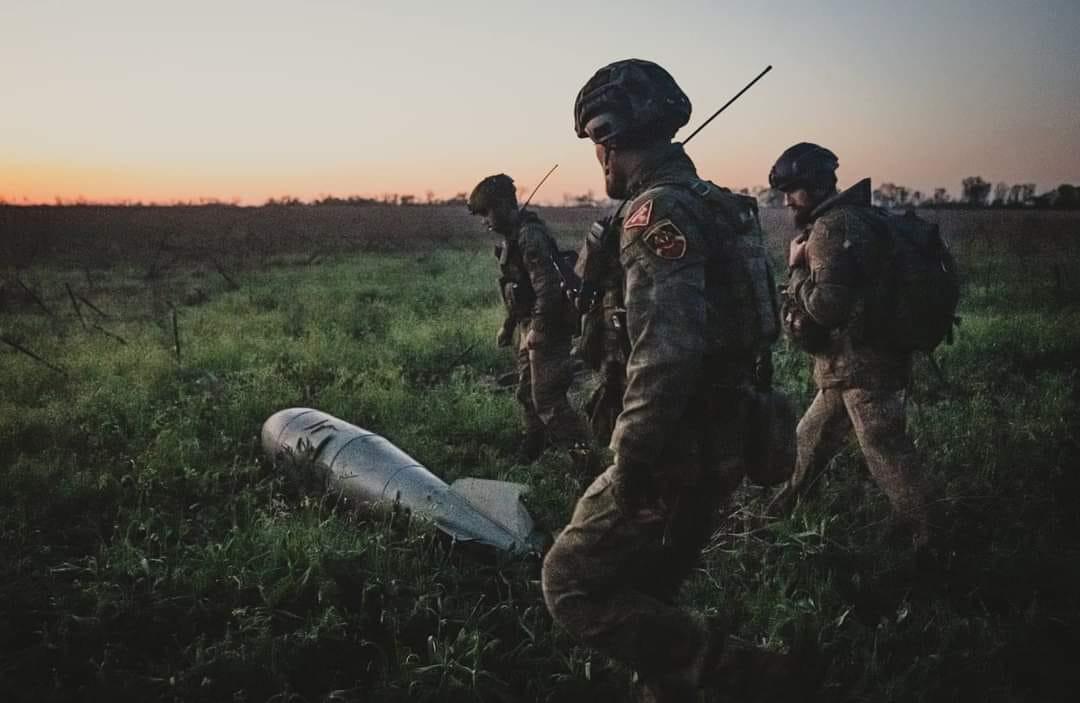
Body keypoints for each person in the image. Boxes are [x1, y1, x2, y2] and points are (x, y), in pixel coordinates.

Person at [541, 59, 799, 702]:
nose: (598, 157)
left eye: (597, 142)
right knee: (648, 592)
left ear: (611, 135)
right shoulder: (719, 206)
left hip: (677, 443)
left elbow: (667, 355)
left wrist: (631, 462)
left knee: (570, 581)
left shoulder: (654, 215)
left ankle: (750, 673)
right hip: (728, 431)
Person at [766, 142, 931, 548]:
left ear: (818, 185)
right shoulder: (859, 217)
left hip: (864, 364)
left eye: (794, 189)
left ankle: (929, 539)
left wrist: (795, 269)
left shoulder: (830, 228)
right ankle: (777, 513)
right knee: (810, 435)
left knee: (884, 447)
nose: (787, 200)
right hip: (853, 363)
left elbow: (827, 308)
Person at [467, 174, 588, 461]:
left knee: (547, 398)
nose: (485, 221)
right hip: (529, 324)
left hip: (545, 326)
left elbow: (547, 288)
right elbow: (517, 288)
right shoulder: (514, 237)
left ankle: (585, 461)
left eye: (488, 212)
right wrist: (509, 327)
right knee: (526, 392)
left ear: (506, 206)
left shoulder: (529, 235)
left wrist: (538, 330)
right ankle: (532, 449)